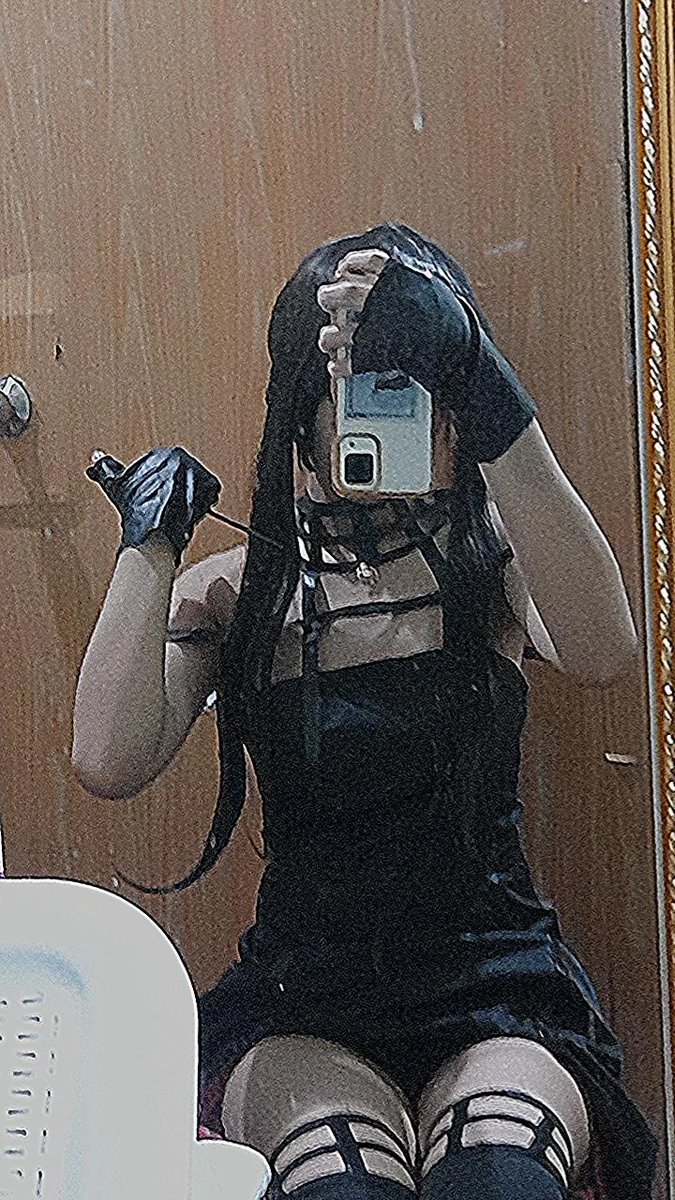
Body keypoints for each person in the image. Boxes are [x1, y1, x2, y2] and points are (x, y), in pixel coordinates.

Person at [72, 223, 658, 1200]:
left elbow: (605, 651)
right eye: (362, 391)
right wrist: (150, 545)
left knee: (498, 1178)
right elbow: (107, 757)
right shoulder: (240, 592)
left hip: (496, 985)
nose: (395, 416)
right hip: (307, 1001)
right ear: (304, 406)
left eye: (417, 389)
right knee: (343, 1187)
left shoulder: (494, 566)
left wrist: (482, 378)